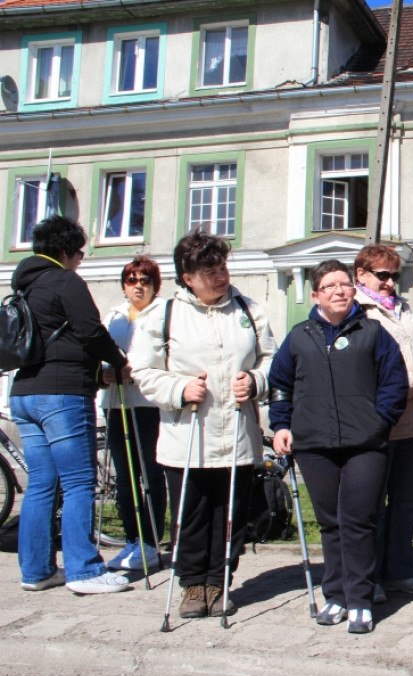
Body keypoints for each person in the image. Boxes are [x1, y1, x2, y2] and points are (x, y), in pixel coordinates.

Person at [132, 229, 276, 619]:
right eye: (209, 269)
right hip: (187, 436)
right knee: (192, 515)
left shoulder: (248, 310)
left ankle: (219, 582)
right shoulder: (163, 315)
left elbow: (271, 360)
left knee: (229, 514)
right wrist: (178, 388)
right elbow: (143, 371)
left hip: (238, 437)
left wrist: (257, 380)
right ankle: (192, 585)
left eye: (222, 266)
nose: (220, 274)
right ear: (187, 276)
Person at [269, 260, 407, 634]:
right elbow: (280, 383)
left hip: (365, 443)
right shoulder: (299, 335)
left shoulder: (374, 333)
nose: (338, 291)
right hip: (314, 445)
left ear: (354, 290)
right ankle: (336, 596)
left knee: (358, 521)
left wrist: (379, 422)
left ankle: (361, 598)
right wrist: (281, 424)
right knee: (330, 524)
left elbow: (394, 384)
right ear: (316, 295)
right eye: (329, 286)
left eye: (344, 284)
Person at [11, 216, 131, 595]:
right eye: (79, 253)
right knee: (79, 481)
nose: (81, 260)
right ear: (64, 252)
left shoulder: (24, 286)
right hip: (62, 394)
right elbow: (90, 330)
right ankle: (84, 570)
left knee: (41, 484)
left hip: (24, 392)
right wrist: (119, 362)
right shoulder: (64, 279)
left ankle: (37, 571)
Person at [353, 245, 413, 600]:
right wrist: (412, 383)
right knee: (370, 504)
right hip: (377, 421)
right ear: (361, 274)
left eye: (394, 275)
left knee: (405, 502)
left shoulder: (403, 308)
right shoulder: (356, 310)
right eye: (381, 275)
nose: (389, 282)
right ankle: (368, 577)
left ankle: (400, 572)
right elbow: (364, 366)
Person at [100, 257, 167, 572]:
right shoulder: (113, 315)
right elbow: (97, 357)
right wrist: (103, 376)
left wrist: (137, 372)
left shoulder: (164, 313)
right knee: (126, 479)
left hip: (150, 405)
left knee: (152, 476)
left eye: (145, 280)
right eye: (131, 280)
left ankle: (152, 542)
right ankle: (132, 540)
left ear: (155, 285)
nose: (138, 286)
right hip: (117, 404)